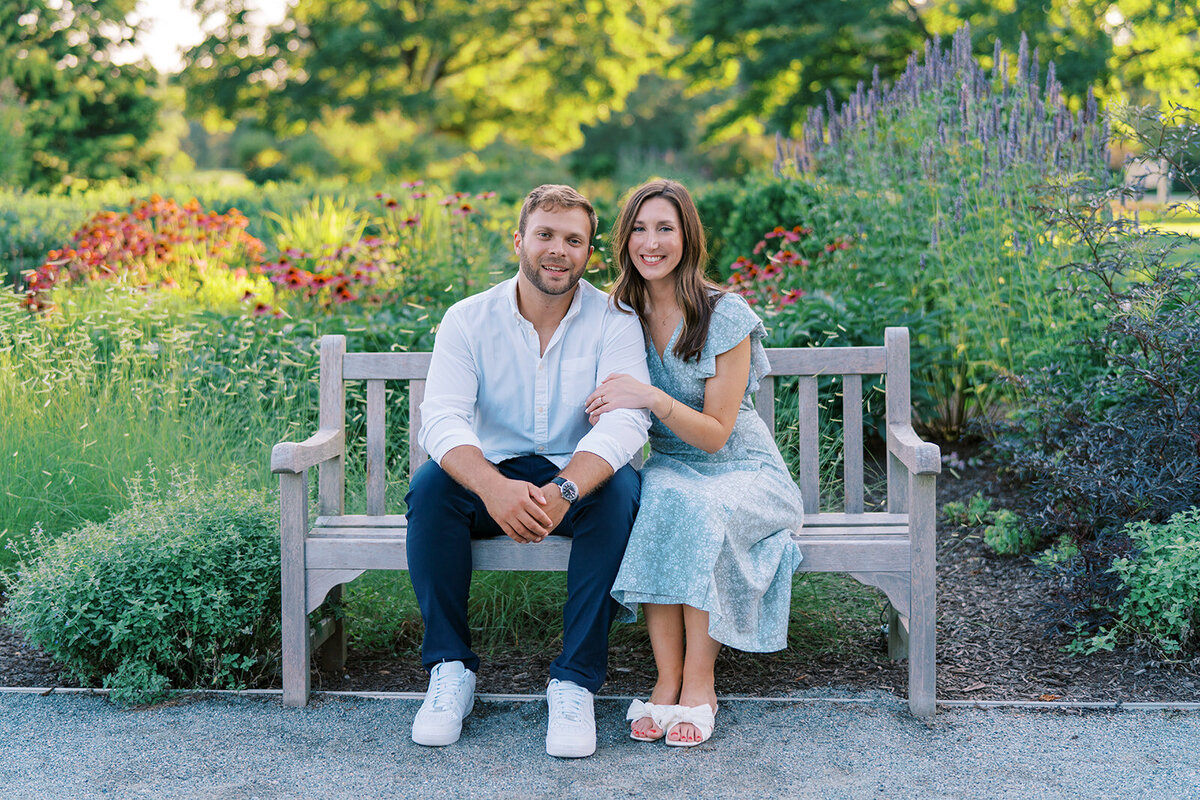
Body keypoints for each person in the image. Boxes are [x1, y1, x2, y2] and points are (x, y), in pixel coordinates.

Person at [404, 184, 651, 758]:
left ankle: (574, 682)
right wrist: (492, 487)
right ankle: (450, 670)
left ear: (589, 254)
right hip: (493, 478)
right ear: (519, 239)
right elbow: (441, 420)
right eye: (545, 235)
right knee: (431, 486)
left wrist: (565, 487)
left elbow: (625, 425)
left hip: (578, 477)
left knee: (620, 495)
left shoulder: (615, 319)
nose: (557, 250)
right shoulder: (468, 319)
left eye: (574, 240)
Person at [585, 179, 804, 747]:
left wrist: (651, 396)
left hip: (743, 469)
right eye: (638, 229)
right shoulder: (618, 313)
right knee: (660, 501)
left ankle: (700, 687)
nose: (650, 243)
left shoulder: (723, 315)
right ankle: (666, 683)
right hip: (671, 466)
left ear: (688, 237)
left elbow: (714, 435)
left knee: (699, 508)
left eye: (665, 228)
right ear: (623, 238)